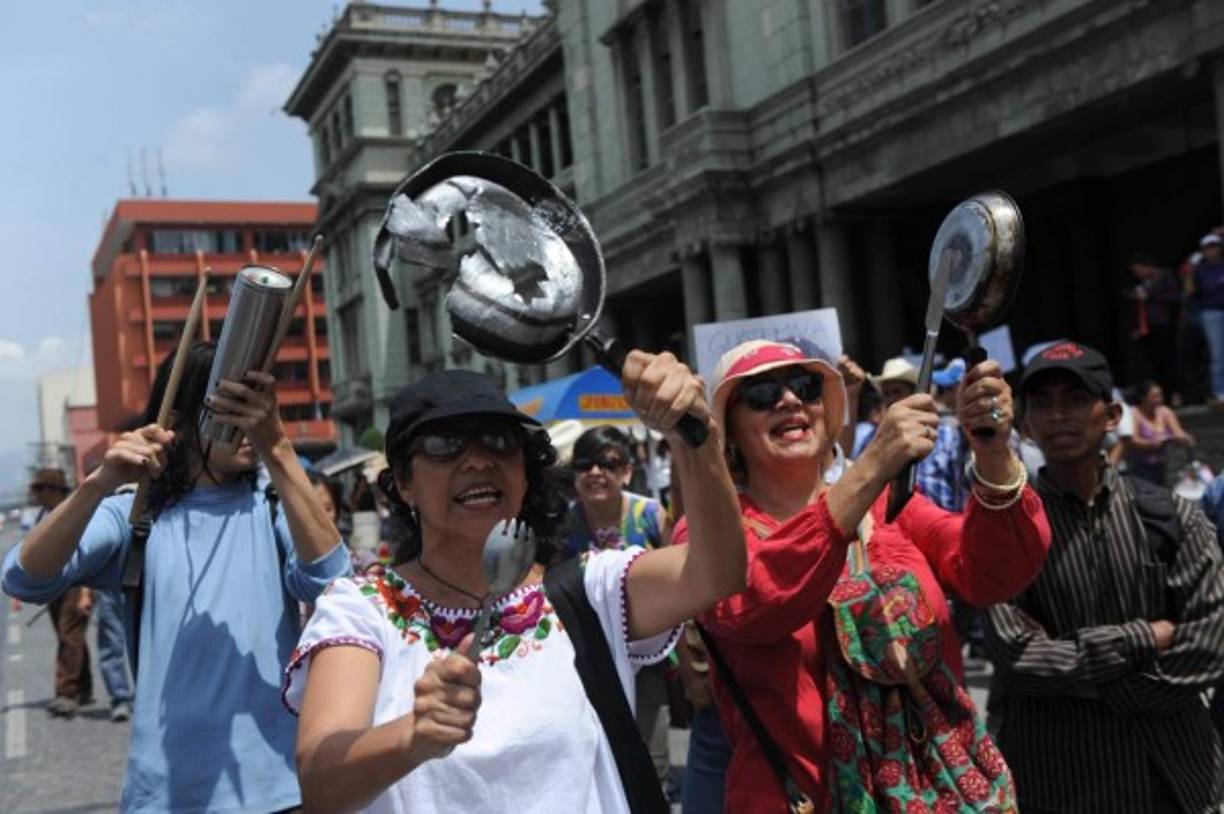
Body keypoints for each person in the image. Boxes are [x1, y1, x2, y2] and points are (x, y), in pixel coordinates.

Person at [285, 354, 747, 812]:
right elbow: (321, 783)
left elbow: (716, 572)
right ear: (403, 483)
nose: (478, 461)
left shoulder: (592, 590)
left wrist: (695, 436)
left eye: (498, 440)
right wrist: (413, 735)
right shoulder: (361, 610)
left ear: (525, 474)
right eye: (446, 445)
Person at [672, 339, 1050, 813]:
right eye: (762, 393)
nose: (790, 400)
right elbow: (760, 604)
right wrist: (872, 466)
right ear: (728, 428)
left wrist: (992, 454)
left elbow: (995, 574)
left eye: (807, 387)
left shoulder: (890, 509)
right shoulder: (710, 532)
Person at [1, 342, 350, 812]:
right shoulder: (135, 514)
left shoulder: (272, 506)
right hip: (166, 796)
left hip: (283, 790)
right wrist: (98, 483)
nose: (248, 423)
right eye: (231, 409)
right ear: (183, 419)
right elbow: (23, 578)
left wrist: (278, 446)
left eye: (256, 407)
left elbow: (336, 582)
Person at [984, 341, 1224, 813]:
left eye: (1075, 400)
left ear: (1112, 415)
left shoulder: (1173, 517)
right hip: (1060, 783)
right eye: (1042, 404)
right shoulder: (1003, 530)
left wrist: (1094, 684)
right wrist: (1142, 637)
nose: (1059, 416)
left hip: (1174, 778)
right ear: (1025, 426)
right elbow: (1018, 657)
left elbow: (1209, 643)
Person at [560, 424, 675, 797]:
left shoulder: (652, 515)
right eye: (584, 464)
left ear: (626, 471)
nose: (595, 473)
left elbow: (679, 581)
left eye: (607, 463)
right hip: (585, 663)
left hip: (648, 658)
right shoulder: (560, 525)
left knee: (650, 758)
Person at [28, 467, 93, 717]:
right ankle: (84, 688)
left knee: (69, 636)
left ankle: (66, 693)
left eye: (41, 489)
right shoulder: (43, 515)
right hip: (54, 586)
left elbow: (87, 553)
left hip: (76, 584)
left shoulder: (71, 513)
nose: (37, 494)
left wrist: (86, 594)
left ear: (54, 490)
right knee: (71, 637)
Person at [1123, 380, 1194, 486]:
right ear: (1143, 398)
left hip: (1164, 465)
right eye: (1155, 396)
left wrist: (1182, 438)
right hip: (1140, 467)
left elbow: (1178, 432)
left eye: (1160, 395)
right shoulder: (1134, 414)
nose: (1159, 399)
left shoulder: (1164, 412)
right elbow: (1131, 441)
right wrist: (1153, 444)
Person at [1190, 232, 1224, 402]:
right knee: (1218, 353)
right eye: (1209, 248)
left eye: (1215, 247)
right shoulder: (1200, 270)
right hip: (1212, 312)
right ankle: (1220, 391)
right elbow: (1192, 291)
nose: (1213, 251)